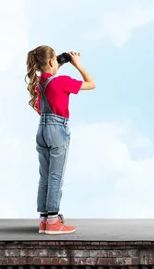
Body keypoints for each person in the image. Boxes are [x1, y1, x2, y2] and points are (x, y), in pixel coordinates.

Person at [25, 45, 96, 235]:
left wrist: (58, 63)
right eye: (55, 59)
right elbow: (91, 83)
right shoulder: (62, 82)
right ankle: (53, 221)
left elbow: (48, 82)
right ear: (50, 62)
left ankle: (44, 220)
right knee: (56, 176)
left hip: (42, 129)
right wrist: (77, 64)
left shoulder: (39, 83)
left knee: (45, 176)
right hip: (57, 130)